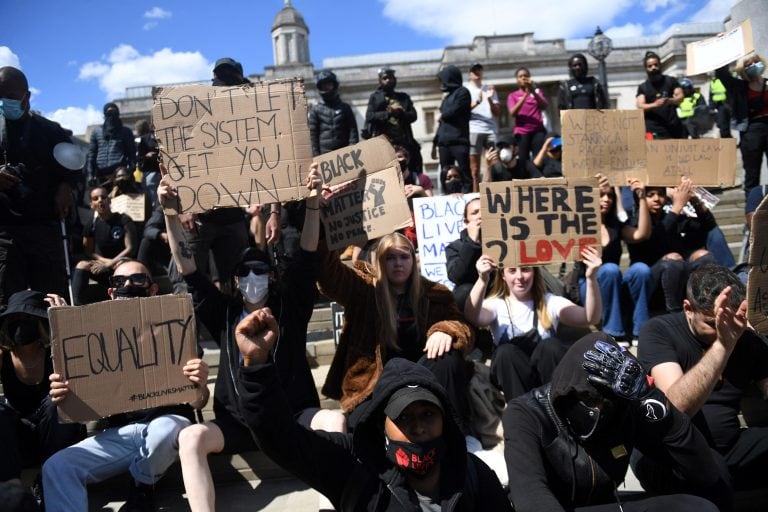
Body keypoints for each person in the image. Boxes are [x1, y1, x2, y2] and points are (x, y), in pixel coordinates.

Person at [235, 310, 513, 512]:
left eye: (428, 414)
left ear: (446, 419)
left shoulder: (474, 475)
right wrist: (257, 364)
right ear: (382, 425)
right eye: (403, 417)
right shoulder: (354, 466)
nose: (417, 428)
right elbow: (280, 439)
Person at [166, 165, 325, 512]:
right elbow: (188, 268)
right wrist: (170, 215)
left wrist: (312, 203)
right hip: (237, 421)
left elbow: (308, 255)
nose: (253, 276)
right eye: (245, 272)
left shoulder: (291, 307)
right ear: (235, 280)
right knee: (190, 437)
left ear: (270, 276)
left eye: (260, 270)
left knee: (336, 421)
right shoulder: (223, 314)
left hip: (292, 413)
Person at [43, 259, 210, 512]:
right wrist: (66, 391)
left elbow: (199, 402)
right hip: (120, 434)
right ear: (111, 293)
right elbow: (83, 404)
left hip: (167, 423)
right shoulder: (100, 338)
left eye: (137, 279)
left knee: (162, 432)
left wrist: (200, 383)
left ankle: (142, 484)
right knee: (56, 466)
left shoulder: (176, 329)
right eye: (120, 281)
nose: (129, 285)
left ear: (153, 289)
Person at [504, 332, 727, 512]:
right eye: (589, 398)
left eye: (606, 401)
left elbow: (704, 470)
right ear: (567, 391)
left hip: (610, 504)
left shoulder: (622, 409)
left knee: (701, 503)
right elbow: (531, 495)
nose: (598, 409)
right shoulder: (526, 413)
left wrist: (653, 400)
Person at [318, 230, 474, 433]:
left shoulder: (434, 292)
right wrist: (336, 237)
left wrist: (445, 330)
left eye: (404, 256)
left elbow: (464, 327)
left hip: (423, 379)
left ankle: (456, 435)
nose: (398, 263)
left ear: (413, 260)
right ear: (379, 261)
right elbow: (327, 274)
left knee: (449, 357)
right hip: (374, 386)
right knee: (363, 431)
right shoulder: (363, 288)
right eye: (390, 258)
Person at [635, 264, 768, 502]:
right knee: (711, 469)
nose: (721, 329)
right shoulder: (659, 331)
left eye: (728, 321)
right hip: (670, 451)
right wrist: (723, 346)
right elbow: (675, 407)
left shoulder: (741, 333)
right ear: (688, 309)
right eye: (711, 323)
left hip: (731, 447)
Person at [463, 248, 602, 401]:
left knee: (550, 346)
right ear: (503, 275)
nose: (519, 277)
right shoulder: (496, 304)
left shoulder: (550, 301)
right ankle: (522, 414)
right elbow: (472, 316)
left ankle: (560, 407)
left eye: (525, 269)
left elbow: (589, 317)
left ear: (535, 272)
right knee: (506, 352)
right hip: (516, 386)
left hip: (548, 382)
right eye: (512, 271)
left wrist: (591, 278)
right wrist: (483, 279)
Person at [0, 66, 80, 304]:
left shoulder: (49, 130)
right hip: (5, 230)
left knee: (51, 296)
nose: (5, 103)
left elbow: (75, 167)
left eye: (11, 97)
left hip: (44, 226)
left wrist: (66, 187)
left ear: (27, 96)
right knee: (7, 298)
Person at [0, 291, 85, 497]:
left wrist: (67, 322)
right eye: (15, 318)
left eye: (28, 318)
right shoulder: (3, 355)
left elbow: (87, 369)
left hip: (58, 434)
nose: (21, 324)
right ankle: (9, 490)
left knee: (60, 399)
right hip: (22, 437)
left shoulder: (58, 350)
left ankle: (50, 478)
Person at [626, 178, 717, 314]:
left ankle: (706, 307)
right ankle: (674, 314)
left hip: (678, 277)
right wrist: (677, 206)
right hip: (649, 282)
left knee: (703, 256)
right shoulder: (634, 219)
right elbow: (655, 238)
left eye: (661, 194)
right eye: (650, 195)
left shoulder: (671, 216)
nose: (657, 199)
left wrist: (694, 200)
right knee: (673, 260)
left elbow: (708, 225)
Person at [583, 174, 652, 342]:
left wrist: (642, 198)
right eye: (600, 195)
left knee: (640, 269)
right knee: (610, 269)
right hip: (589, 284)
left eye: (609, 196)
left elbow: (642, 234)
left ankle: (640, 332)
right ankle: (614, 332)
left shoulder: (615, 225)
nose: (606, 199)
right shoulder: (578, 225)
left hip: (613, 281)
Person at [71, 186, 136, 305]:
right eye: (96, 198)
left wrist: (110, 264)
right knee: (82, 264)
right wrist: (105, 262)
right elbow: (89, 251)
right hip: (102, 265)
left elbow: (130, 248)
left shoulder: (123, 219)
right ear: (91, 204)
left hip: (122, 263)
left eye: (103, 197)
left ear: (109, 200)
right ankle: (78, 306)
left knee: (124, 265)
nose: (100, 200)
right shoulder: (91, 224)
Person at [716, 52, 768, 198]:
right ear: (742, 69)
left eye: (755, 62)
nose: (753, 66)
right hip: (751, 130)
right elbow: (721, 74)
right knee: (752, 175)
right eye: (748, 64)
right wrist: (723, 47)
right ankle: (752, 215)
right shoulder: (739, 87)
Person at [362, 67, 421, 173]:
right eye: (385, 78)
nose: (388, 80)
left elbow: (413, 116)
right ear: (380, 81)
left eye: (391, 78)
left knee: (408, 169)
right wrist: (388, 114)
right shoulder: (375, 98)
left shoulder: (403, 97)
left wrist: (400, 113)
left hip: (403, 142)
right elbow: (370, 116)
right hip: (384, 143)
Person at [435, 65, 472, 193]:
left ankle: (467, 197)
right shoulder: (445, 99)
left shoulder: (463, 92)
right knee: (445, 174)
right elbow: (440, 124)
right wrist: (436, 142)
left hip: (459, 140)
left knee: (464, 172)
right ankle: (447, 197)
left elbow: (456, 110)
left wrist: (443, 115)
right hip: (444, 143)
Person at [466, 63, 500, 192]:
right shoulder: (466, 90)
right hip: (473, 129)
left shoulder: (490, 89)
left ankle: (493, 194)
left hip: (490, 129)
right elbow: (462, 111)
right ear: (469, 74)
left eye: (479, 70)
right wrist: (477, 102)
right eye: (474, 70)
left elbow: (497, 112)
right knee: (474, 168)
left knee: (493, 164)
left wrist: (490, 99)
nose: (477, 72)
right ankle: (475, 195)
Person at [308, 70, 359, 156]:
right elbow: (312, 135)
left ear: (335, 86)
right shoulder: (315, 110)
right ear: (319, 88)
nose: (326, 88)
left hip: (345, 153)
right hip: (325, 156)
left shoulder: (345, 108)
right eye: (323, 85)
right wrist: (316, 155)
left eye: (329, 84)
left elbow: (353, 131)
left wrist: (352, 149)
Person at [636, 51, 684, 139]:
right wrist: (655, 104)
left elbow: (680, 97)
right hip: (654, 128)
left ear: (660, 65)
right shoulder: (643, 87)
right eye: (650, 66)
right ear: (646, 68)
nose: (653, 68)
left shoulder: (671, 81)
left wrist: (670, 101)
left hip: (673, 126)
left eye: (655, 65)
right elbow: (640, 106)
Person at [445, 197, 482, 312]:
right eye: (475, 213)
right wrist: (472, 242)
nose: (481, 216)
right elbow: (456, 276)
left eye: (485, 210)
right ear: (466, 222)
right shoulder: (455, 247)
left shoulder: (505, 243)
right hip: (471, 299)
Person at [87, 102, 136, 186]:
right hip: (101, 175)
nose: (111, 115)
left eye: (114, 112)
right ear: (105, 114)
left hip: (120, 174)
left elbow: (132, 153)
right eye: (109, 112)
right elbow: (92, 155)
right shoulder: (96, 132)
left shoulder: (125, 131)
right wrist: (90, 174)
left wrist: (130, 170)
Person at [507, 67, 548, 165]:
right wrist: (525, 95)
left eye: (525, 76)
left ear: (529, 78)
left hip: (537, 131)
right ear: (517, 80)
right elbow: (512, 113)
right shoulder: (513, 96)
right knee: (523, 159)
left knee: (538, 157)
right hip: (522, 132)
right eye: (520, 76)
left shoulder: (537, 92)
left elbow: (544, 106)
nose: (523, 78)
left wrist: (532, 91)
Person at [136, 119, 160, 209]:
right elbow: (139, 157)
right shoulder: (144, 139)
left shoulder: (163, 136)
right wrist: (147, 156)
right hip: (150, 171)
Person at [708, 74, 731, 138]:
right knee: (722, 126)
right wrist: (711, 108)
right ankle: (728, 141)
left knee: (727, 126)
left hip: (729, 104)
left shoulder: (728, 78)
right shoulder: (712, 82)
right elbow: (711, 96)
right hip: (720, 106)